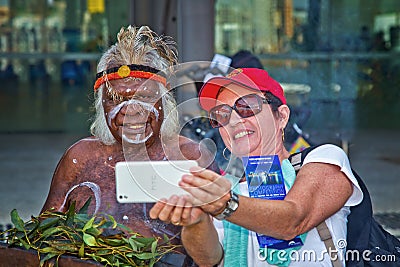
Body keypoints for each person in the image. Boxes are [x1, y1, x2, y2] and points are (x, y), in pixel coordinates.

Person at [150, 68, 363, 266]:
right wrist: (194, 221)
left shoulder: (324, 158)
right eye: (221, 115)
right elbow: (209, 259)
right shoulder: (225, 187)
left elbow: (293, 220)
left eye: (247, 107)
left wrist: (224, 205)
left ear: (282, 116)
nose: (233, 120)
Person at [41, 25, 216, 263]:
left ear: (165, 102)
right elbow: (43, 238)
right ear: (101, 106)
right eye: (116, 99)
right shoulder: (80, 158)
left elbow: (217, 250)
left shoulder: (190, 157)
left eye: (145, 97)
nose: (132, 111)